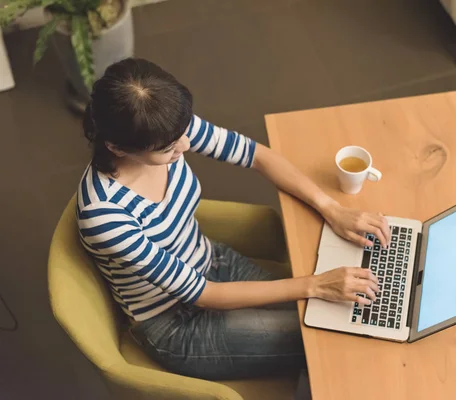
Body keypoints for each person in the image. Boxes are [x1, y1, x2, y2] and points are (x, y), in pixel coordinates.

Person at [77, 58, 390, 380]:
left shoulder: (164, 126)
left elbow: (255, 154)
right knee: (332, 334)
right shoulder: (105, 215)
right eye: (169, 148)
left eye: (182, 135)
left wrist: (332, 208)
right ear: (116, 147)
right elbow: (204, 294)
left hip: (212, 261)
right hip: (174, 321)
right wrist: (315, 286)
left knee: (345, 314)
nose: (184, 145)